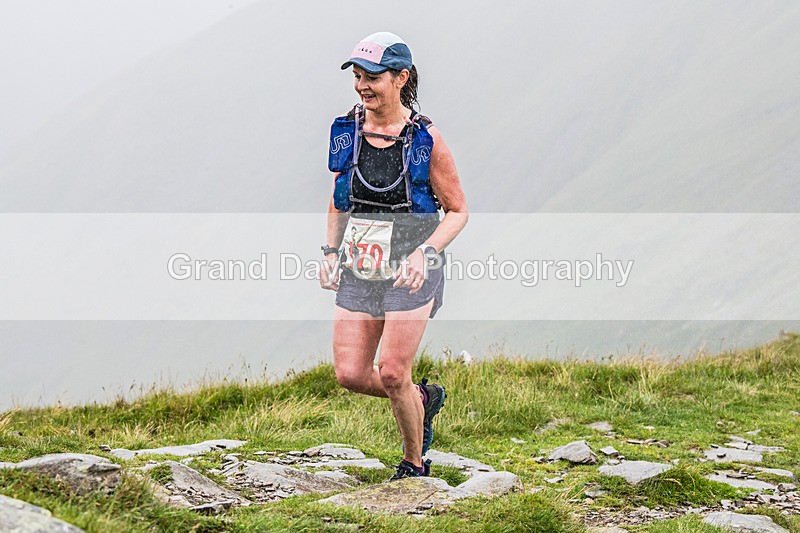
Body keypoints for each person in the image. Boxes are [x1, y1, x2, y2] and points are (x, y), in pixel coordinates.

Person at [319, 32, 468, 481]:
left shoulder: (425, 140)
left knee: (391, 372)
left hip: (412, 267)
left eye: (374, 78)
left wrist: (426, 253)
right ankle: (422, 399)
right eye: (359, 77)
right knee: (349, 373)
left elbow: (458, 212)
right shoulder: (347, 131)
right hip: (361, 264)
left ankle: (413, 464)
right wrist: (330, 250)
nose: (364, 87)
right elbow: (339, 199)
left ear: (401, 78)